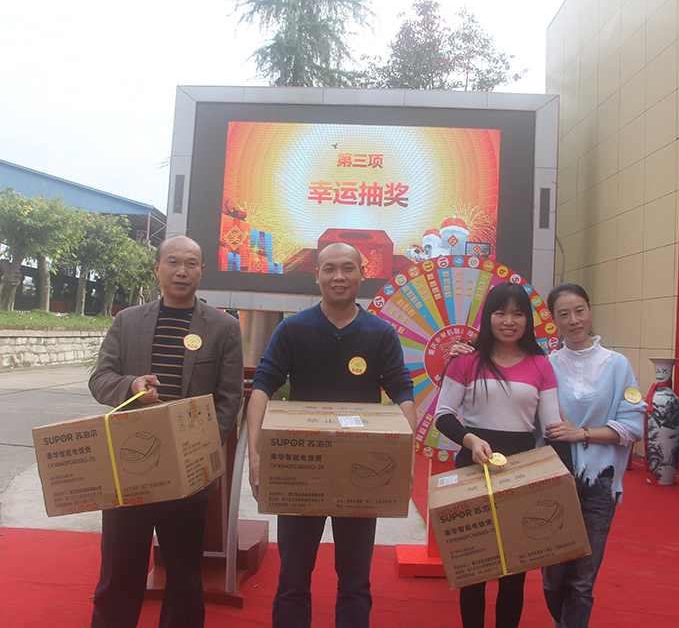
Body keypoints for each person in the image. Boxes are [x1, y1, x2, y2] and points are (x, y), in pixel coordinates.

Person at [246, 241, 416, 628]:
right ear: (317, 275)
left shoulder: (380, 333)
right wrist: (256, 456)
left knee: (355, 581)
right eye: (330, 269)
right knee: (292, 578)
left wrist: (405, 459)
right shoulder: (293, 329)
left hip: (361, 470)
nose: (339, 276)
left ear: (362, 274)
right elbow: (262, 387)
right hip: (300, 467)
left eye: (348, 268)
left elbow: (403, 392)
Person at [88, 235, 244, 628]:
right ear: (157, 268)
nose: (181, 271)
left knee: (185, 575)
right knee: (119, 570)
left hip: (186, 476)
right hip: (129, 468)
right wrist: (130, 385)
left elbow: (229, 399)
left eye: (191, 263)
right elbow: (100, 380)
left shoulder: (223, 327)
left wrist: (199, 451)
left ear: (202, 270)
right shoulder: (128, 321)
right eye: (172, 262)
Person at [434, 281, 562, 628]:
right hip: (472, 469)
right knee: (473, 569)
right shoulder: (466, 360)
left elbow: (552, 427)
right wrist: (471, 441)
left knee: (514, 574)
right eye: (500, 313)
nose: (509, 321)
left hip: (521, 473)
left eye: (518, 314)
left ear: (527, 320)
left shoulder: (541, 365)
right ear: (487, 316)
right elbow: (443, 415)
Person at [539, 283, 645, 628]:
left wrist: (581, 433)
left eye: (579, 310)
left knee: (583, 580)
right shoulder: (545, 366)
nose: (574, 320)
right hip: (555, 480)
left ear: (589, 310)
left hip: (600, 481)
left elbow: (633, 427)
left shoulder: (618, 366)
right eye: (564, 314)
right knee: (552, 576)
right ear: (554, 320)